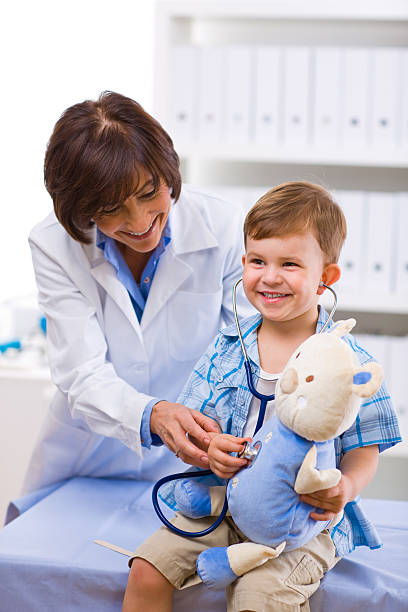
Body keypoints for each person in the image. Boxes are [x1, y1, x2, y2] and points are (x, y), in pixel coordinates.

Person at [123, 181, 401, 612]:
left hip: (303, 523)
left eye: (289, 264)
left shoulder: (345, 362)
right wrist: (210, 450)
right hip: (224, 503)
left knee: (261, 597)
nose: (269, 277)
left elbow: (365, 451)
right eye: (257, 261)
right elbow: (197, 429)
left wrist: (345, 487)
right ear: (243, 263)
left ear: (325, 278)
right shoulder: (226, 346)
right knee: (146, 568)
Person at [22, 91, 252, 496]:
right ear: (82, 208)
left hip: (195, 455)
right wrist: (151, 415)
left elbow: (255, 353)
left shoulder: (224, 227)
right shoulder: (53, 245)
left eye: (149, 194)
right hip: (88, 456)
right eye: (111, 208)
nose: (140, 221)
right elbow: (82, 373)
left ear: (169, 171)